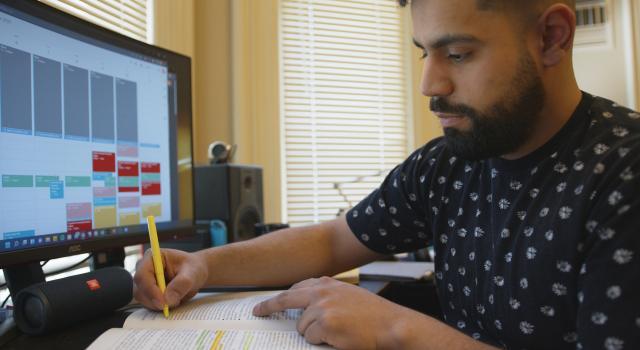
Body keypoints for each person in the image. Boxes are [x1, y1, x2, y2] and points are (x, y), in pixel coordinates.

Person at [134, 0, 640, 348]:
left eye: (457, 54)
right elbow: (335, 240)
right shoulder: (449, 164)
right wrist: (204, 265)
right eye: (425, 52)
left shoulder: (623, 172)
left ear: (552, 37)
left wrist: (398, 330)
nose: (428, 82)